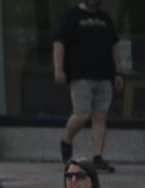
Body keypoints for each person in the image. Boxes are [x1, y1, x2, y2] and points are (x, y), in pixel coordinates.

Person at [53, 0, 121, 171]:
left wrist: (118, 72)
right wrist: (58, 68)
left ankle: (98, 157)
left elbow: (115, 46)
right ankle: (67, 140)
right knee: (82, 114)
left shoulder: (105, 18)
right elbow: (59, 43)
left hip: (104, 75)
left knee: (100, 115)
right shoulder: (71, 16)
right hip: (80, 74)